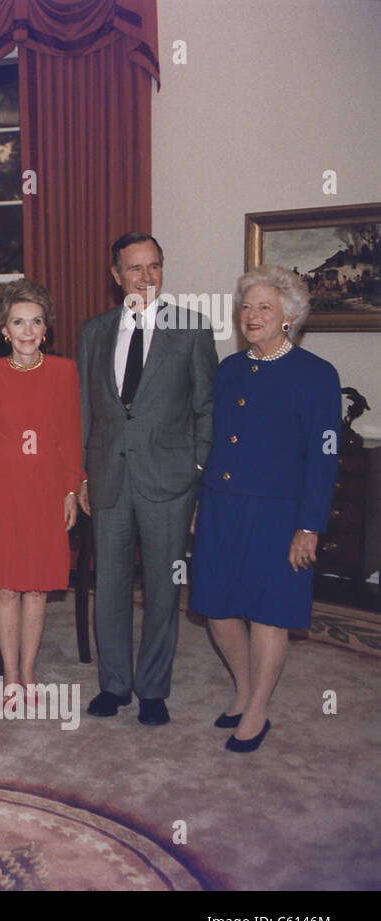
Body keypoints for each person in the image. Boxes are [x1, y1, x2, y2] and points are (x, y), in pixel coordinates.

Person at [190, 266, 339, 752]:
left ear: (289, 316)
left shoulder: (317, 375)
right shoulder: (230, 368)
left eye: (264, 308)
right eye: (246, 306)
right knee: (217, 607)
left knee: (270, 612)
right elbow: (214, 443)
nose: (251, 316)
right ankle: (244, 689)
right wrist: (199, 502)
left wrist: (309, 526)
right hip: (221, 504)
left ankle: (257, 711)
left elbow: (324, 457)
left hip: (279, 514)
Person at [76, 233, 217, 726]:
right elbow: (86, 412)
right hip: (110, 476)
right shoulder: (93, 332)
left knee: (162, 586)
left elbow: (206, 409)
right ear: (116, 276)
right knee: (109, 585)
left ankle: (153, 688)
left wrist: (197, 470)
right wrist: (83, 476)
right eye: (135, 268)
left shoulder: (192, 329)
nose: (146, 277)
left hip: (170, 480)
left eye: (154, 266)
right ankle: (114, 685)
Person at [0, 280, 83, 710]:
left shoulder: (63, 371)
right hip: (3, 491)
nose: (27, 330)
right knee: (5, 588)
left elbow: (71, 436)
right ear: (5, 328)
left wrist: (71, 488)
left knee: (37, 588)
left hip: (46, 491)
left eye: (36, 322)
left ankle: (30, 671)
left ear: (46, 329)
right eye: (18, 322)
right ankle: (10, 675)